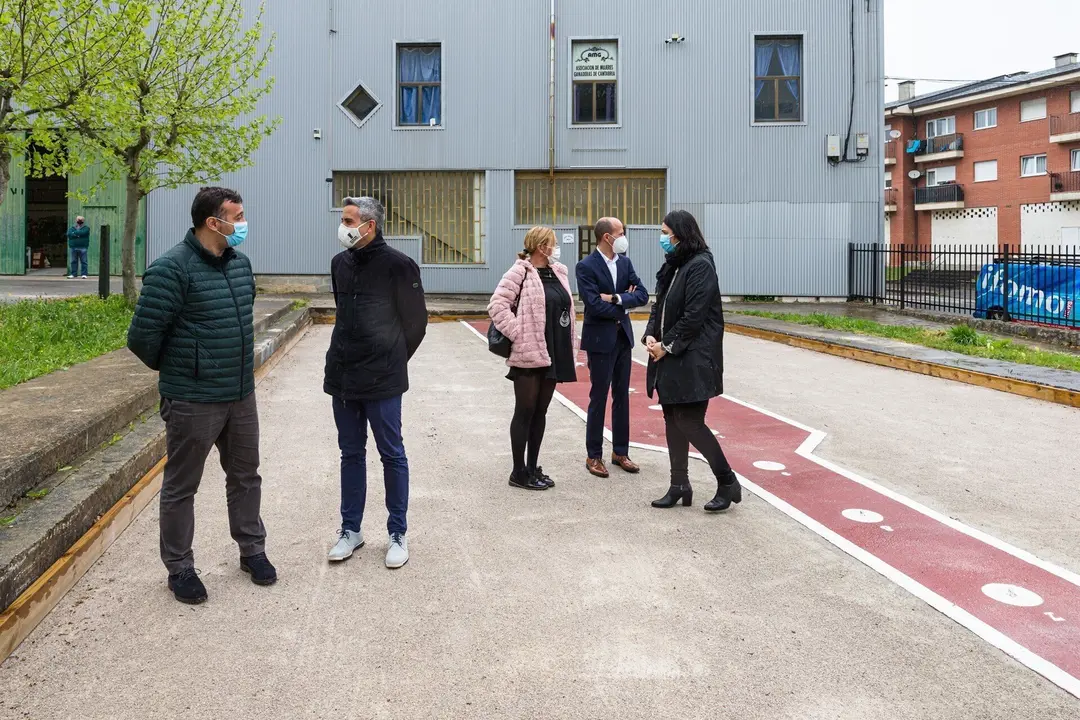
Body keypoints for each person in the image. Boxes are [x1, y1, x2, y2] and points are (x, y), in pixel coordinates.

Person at [127, 187, 275, 605]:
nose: (243, 223)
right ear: (214, 222)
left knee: (246, 476)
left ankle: (252, 550)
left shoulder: (240, 265)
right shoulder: (171, 269)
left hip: (240, 395)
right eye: (238, 216)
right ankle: (180, 568)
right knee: (181, 486)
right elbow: (142, 338)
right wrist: (185, 370)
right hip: (193, 400)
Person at [324, 196, 428, 569]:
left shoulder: (399, 266)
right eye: (343, 219)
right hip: (343, 376)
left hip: (383, 379)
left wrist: (391, 361)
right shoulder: (340, 264)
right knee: (350, 453)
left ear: (369, 226)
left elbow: (416, 323)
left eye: (350, 220)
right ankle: (351, 529)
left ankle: (397, 532)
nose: (344, 226)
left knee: (391, 454)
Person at [643, 209, 741, 512]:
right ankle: (679, 484)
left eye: (665, 232)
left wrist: (666, 345)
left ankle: (727, 481)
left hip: (694, 358)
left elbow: (694, 316)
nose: (662, 238)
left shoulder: (701, 265)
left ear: (681, 234)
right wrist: (649, 335)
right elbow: (659, 307)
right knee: (672, 420)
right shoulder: (674, 265)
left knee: (690, 422)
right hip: (670, 356)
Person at [488, 226, 577, 491]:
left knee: (541, 412)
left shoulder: (559, 271)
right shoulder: (520, 271)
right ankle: (518, 472)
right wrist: (518, 333)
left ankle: (532, 466)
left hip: (553, 351)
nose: (556, 247)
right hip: (528, 352)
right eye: (553, 243)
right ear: (541, 247)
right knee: (525, 412)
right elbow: (497, 305)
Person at [576, 217, 649, 478]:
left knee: (622, 396)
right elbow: (593, 304)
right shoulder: (586, 266)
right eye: (620, 232)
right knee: (599, 396)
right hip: (600, 340)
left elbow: (642, 294)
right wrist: (624, 307)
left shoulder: (625, 263)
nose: (623, 236)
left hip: (622, 340)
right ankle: (593, 455)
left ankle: (620, 452)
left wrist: (618, 298)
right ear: (607, 237)